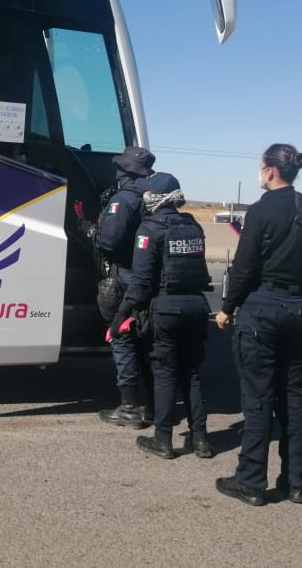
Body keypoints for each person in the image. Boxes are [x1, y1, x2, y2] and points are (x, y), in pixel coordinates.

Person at [215, 144, 302, 506]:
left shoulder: (261, 210)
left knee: (258, 399)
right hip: (298, 310)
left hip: (262, 309)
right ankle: (295, 483)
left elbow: (245, 266)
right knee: (292, 398)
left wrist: (227, 308)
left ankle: (250, 481)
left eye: (260, 168)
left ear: (269, 172)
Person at [109, 172, 214, 460]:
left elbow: (141, 282)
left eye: (146, 194)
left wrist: (120, 317)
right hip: (196, 306)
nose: (143, 197)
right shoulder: (193, 226)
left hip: (166, 309)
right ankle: (201, 440)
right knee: (191, 374)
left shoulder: (149, 229)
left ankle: (163, 439)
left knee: (165, 374)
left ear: (155, 198)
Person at [94, 145, 156, 429]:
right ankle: (153, 406)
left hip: (126, 277)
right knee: (146, 342)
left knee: (123, 338)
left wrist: (90, 231)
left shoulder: (124, 200)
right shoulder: (152, 198)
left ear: (122, 171)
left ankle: (130, 407)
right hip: (148, 276)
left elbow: (109, 241)